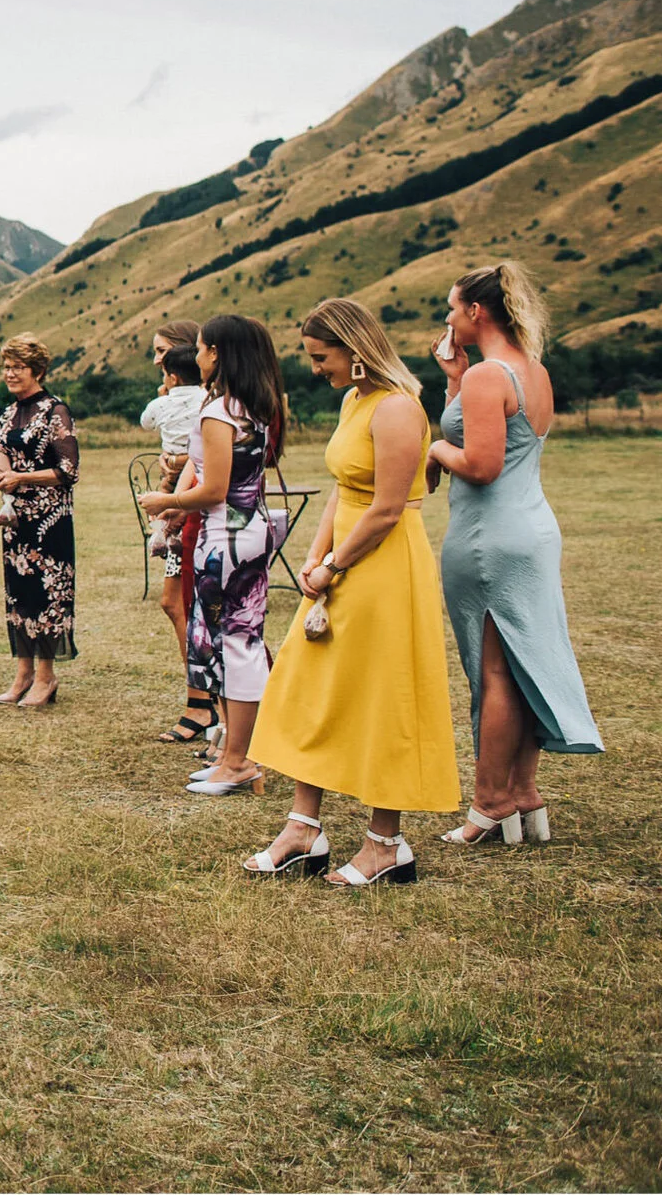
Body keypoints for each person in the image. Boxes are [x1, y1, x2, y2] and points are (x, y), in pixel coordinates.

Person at [244, 299, 461, 886]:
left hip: (385, 567)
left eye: (322, 357)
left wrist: (335, 564)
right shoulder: (354, 401)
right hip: (342, 561)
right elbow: (344, 490)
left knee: (380, 695)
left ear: (355, 348)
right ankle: (302, 829)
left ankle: (385, 844)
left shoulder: (397, 408)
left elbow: (388, 508)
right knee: (311, 687)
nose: (316, 368)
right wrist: (315, 556)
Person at [429, 261, 602, 846]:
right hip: (530, 528)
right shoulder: (531, 371)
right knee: (520, 664)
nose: (448, 319)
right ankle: (524, 794)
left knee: (495, 671)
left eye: (453, 308)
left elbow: (479, 464)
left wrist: (432, 446)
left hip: (489, 537)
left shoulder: (488, 378)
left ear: (476, 312)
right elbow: (488, 440)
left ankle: (489, 803)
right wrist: (454, 379)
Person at [138, 316, 288, 796]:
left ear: (218, 353)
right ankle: (231, 754)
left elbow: (216, 489)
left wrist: (167, 503)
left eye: (201, 349)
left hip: (226, 538)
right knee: (226, 643)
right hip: (249, 531)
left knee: (234, 646)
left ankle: (240, 760)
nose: (196, 357)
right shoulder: (254, 406)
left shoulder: (220, 411)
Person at [0, 338, 77, 708]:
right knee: (19, 595)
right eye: (6, 366)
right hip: (16, 519)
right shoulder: (7, 413)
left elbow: (68, 470)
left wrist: (23, 479)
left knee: (48, 596)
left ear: (37, 371)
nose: (9, 373)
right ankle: (22, 674)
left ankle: (46, 676)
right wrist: (0, 475)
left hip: (49, 520)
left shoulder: (56, 411)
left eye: (18, 367)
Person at [142, 343, 212, 742]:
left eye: (161, 352)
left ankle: (204, 702)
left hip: (199, 513)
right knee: (176, 604)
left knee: (188, 607)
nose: (156, 362)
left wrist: (178, 467)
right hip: (182, 505)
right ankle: (202, 699)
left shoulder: (210, 402)